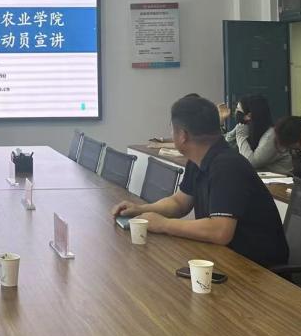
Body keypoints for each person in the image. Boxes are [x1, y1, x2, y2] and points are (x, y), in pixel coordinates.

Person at [111, 95, 288, 267]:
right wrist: (141, 210)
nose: (171, 133)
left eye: (172, 129)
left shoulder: (227, 166)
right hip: (222, 257)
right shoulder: (199, 159)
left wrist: (164, 224)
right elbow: (179, 203)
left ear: (183, 135)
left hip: (256, 270)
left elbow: (220, 231)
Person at [224, 95, 291, 175]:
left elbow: (252, 163)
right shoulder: (249, 130)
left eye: (238, 110)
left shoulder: (272, 135)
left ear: (249, 116)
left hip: (281, 180)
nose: (235, 112)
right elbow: (227, 142)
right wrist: (225, 122)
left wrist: (240, 136)